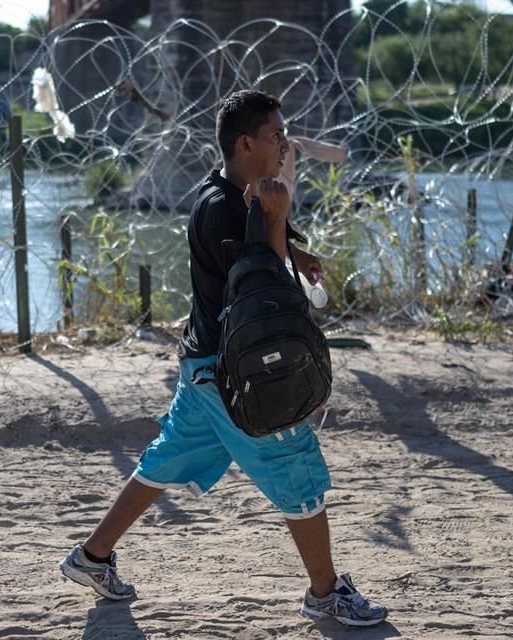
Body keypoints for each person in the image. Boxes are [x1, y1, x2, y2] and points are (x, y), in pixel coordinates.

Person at [58, 90, 388, 627]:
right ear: (246, 142)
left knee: (168, 458)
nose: (286, 144)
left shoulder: (228, 192)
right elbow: (261, 280)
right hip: (234, 373)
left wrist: (291, 242)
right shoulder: (226, 208)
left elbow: (261, 256)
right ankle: (325, 594)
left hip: (203, 363)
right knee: (294, 460)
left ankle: (91, 557)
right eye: (277, 135)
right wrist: (278, 221)